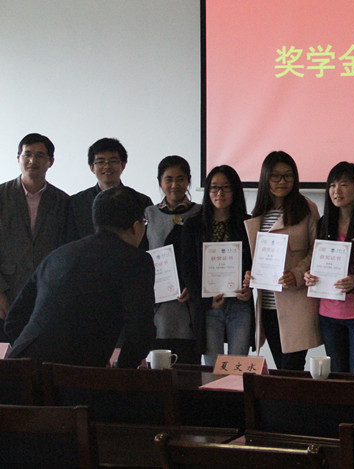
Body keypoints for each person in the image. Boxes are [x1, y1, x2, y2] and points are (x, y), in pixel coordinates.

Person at [5, 186, 155, 367]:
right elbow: (140, 332)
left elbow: (13, 320)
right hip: (76, 375)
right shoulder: (136, 261)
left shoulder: (58, 255)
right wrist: (121, 371)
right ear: (136, 226)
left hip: (18, 370)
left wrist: (30, 357)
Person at [244, 151, 322, 370]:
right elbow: (255, 257)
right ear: (265, 178)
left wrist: (297, 274)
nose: (282, 181)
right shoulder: (258, 213)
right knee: (281, 369)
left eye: (288, 175)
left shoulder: (307, 208)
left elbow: (317, 249)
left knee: (292, 368)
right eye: (275, 176)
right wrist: (250, 274)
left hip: (297, 302)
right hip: (268, 305)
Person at [304, 162, 354, 374]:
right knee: (337, 379)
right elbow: (316, 262)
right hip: (329, 315)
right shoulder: (323, 223)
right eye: (332, 185)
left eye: (344, 184)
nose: (336, 190)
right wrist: (310, 275)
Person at [181, 165, 253, 366]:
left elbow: (255, 266)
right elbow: (188, 269)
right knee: (212, 368)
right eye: (214, 187)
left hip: (240, 304)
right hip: (209, 306)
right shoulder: (193, 225)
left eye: (226, 187)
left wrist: (250, 286)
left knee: (238, 367)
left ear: (235, 190)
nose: (219, 193)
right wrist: (204, 301)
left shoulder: (247, 224)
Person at [0, 133, 69, 343]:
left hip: (46, 296)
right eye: (27, 154)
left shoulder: (63, 201)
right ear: (18, 158)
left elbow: (65, 251)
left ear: (51, 162)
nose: (32, 160)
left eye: (40, 156)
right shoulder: (2, 196)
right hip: (6, 293)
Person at [144, 156, 202, 364]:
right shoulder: (149, 214)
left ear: (188, 181)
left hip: (189, 303)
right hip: (159, 303)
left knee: (189, 369)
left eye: (180, 179)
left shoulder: (200, 213)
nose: (174, 185)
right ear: (160, 181)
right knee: (159, 369)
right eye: (168, 179)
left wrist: (193, 286)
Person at [67, 137, 153, 245]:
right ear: (91, 167)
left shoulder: (141, 201)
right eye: (100, 162)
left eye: (113, 161)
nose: (107, 166)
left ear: (123, 165)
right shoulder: (76, 203)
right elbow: (70, 241)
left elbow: (149, 240)